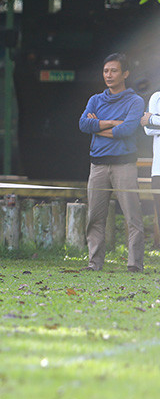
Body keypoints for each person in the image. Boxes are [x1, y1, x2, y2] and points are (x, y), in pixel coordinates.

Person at [79, 53, 144, 272]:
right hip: (97, 165)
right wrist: (112, 125)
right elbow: (83, 125)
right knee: (95, 218)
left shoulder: (135, 101)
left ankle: (134, 264)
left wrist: (97, 126)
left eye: (114, 70)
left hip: (124, 165)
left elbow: (127, 130)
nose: (109, 75)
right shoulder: (95, 99)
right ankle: (94, 263)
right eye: (106, 71)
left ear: (125, 73)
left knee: (132, 217)